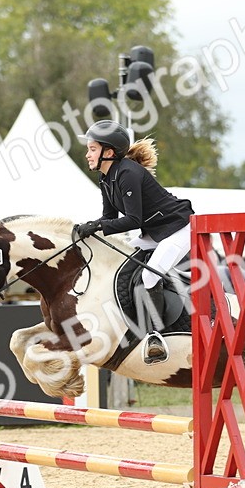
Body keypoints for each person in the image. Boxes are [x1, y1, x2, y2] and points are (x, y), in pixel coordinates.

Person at [72, 120, 194, 364]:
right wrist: (90, 226)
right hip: (155, 231)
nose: (87, 154)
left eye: (92, 149)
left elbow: (132, 220)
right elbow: (109, 218)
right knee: (126, 266)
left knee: (149, 276)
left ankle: (155, 336)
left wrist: (98, 227)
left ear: (108, 152)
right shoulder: (106, 178)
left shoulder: (127, 173)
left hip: (178, 229)